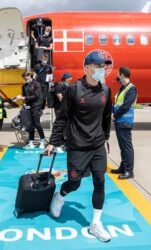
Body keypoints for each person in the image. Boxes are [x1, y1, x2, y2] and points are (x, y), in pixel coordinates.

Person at [44, 51, 112, 242]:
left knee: (100, 181)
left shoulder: (105, 91)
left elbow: (106, 118)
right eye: (98, 66)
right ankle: (60, 195)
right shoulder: (74, 90)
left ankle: (95, 224)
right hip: (78, 145)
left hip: (97, 144)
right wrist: (52, 141)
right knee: (74, 183)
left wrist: (105, 139)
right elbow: (62, 118)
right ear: (87, 68)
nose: (102, 69)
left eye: (104, 66)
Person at [111, 66, 137, 180]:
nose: (117, 76)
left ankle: (129, 171)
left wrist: (115, 115)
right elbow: (117, 104)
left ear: (122, 75)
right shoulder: (122, 88)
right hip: (119, 121)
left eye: (118, 74)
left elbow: (126, 105)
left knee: (127, 147)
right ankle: (123, 167)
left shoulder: (131, 89)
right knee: (123, 147)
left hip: (125, 122)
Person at [15, 71, 46, 150]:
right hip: (28, 106)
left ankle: (42, 140)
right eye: (24, 77)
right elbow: (24, 96)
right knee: (30, 125)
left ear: (30, 75)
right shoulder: (24, 86)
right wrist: (22, 100)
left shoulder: (36, 84)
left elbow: (36, 96)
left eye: (27, 76)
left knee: (37, 124)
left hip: (36, 105)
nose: (25, 78)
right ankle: (31, 142)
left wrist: (24, 98)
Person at [53, 72, 72, 153]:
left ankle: (64, 143)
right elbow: (60, 98)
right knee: (60, 126)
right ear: (65, 78)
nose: (71, 80)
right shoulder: (59, 86)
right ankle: (58, 144)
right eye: (70, 78)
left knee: (66, 126)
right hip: (59, 109)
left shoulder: (68, 86)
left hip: (65, 109)